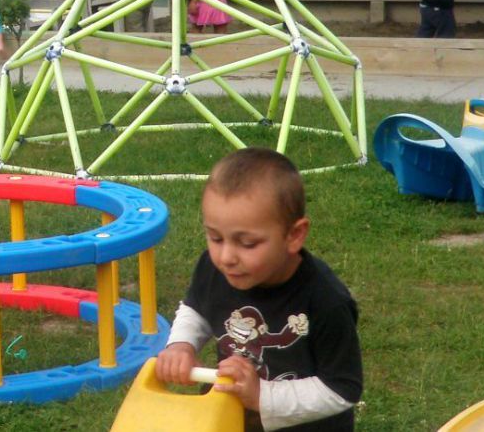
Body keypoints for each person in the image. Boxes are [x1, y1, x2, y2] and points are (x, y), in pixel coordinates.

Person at [155, 148, 363, 432]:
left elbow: (342, 388)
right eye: (215, 238)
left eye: (247, 243)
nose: (226, 257)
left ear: (294, 235)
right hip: (229, 419)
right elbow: (197, 307)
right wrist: (182, 344)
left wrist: (261, 395)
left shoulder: (326, 300)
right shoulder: (214, 268)